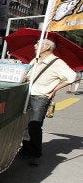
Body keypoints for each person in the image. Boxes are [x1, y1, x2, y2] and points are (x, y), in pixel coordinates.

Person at [22, 37, 77, 166]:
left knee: (34, 125)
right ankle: (26, 149)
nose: (35, 46)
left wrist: (55, 89)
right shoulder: (35, 60)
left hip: (41, 97)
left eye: (37, 44)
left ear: (47, 47)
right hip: (27, 95)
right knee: (25, 124)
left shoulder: (57, 63)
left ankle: (35, 154)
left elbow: (72, 77)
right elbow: (27, 75)